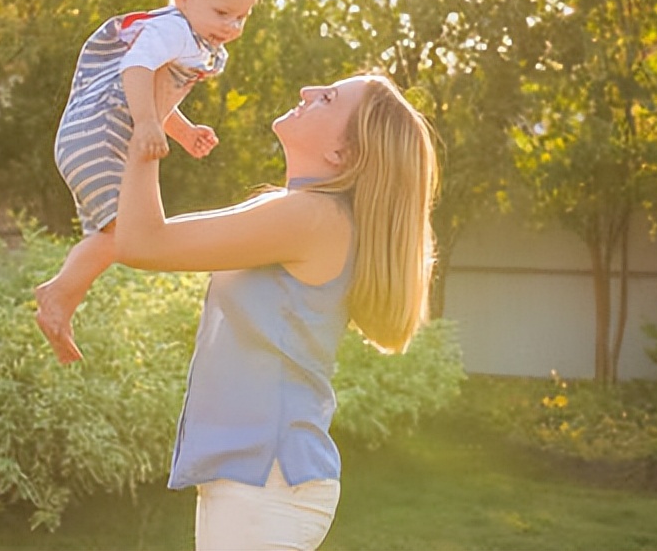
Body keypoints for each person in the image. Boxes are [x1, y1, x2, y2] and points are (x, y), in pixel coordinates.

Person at [75, 72, 437, 551]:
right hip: (257, 482)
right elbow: (145, 237)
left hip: (267, 484)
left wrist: (149, 120)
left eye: (328, 98)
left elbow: (143, 242)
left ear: (342, 153)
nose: (307, 91)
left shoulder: (309, 217)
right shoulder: (294, 211)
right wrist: (65, 286)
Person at [35, 0, 261, 364]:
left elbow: (158, 97)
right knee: (126, 235)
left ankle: (59, 298)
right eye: (222, 13)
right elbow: (136, 68)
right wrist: (145, 124)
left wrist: (183, 131)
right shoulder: (172, 29)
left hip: (98, 136)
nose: (231, 27)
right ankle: (57, 297)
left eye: (241, 17)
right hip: (99, 133)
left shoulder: (198, 41)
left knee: (113, 237)